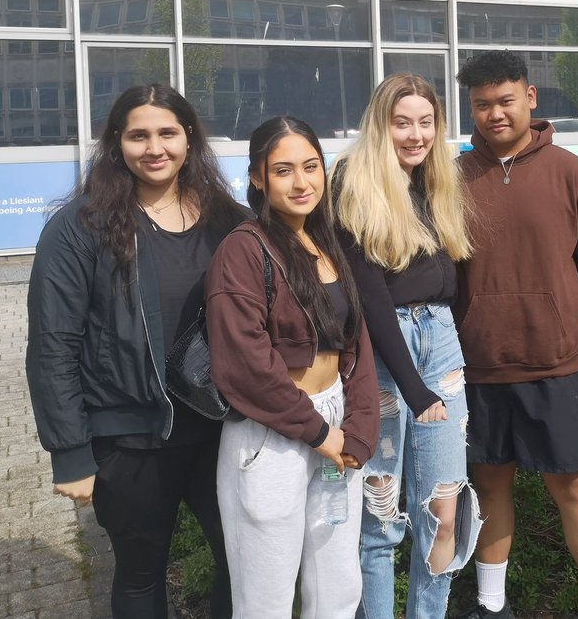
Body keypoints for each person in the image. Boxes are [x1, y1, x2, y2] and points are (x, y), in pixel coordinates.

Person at [26, 83, 244, 618]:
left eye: (167, 133)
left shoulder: (229, 221)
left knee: (242, 562)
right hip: (130, 436)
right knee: (141, 574)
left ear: (189, 138)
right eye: (138, 135)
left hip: (224, 429)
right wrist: (70, 453)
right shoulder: (82, 228)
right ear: (116, 143)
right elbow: (53, 345)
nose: (155, 148)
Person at [454, 50, 578, 619]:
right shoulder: (452, 178)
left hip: (555, 362)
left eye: (505, 100)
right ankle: (492, 605)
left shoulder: (570, 172)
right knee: (489, 486)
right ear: (470, 107)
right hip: (479, 365)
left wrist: (566, 318)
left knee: (572, 486)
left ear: (530, 97)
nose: (495, 113)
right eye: (482, 105)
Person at [206, 116, 380, 619]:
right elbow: (245, 364)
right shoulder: (243, 249)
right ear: (258, 177)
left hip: (335, 420)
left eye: (311, 167)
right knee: (266, 595)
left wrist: (361, 428)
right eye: (283, 170)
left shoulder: (327, 242)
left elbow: (357, 344)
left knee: (338, 586)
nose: (301, 182)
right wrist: (318, 433)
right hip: (271, 433)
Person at [333, 74, 479, 619]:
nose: (415, 135)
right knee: (381, 514)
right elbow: (368, 294)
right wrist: (415, 390)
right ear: (380, 125)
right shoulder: (353, 180)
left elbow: (456, 279)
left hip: (439, 340)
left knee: (445, 507)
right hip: (383, 350)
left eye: (425, 122)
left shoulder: (439, 181)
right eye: (402, 122)